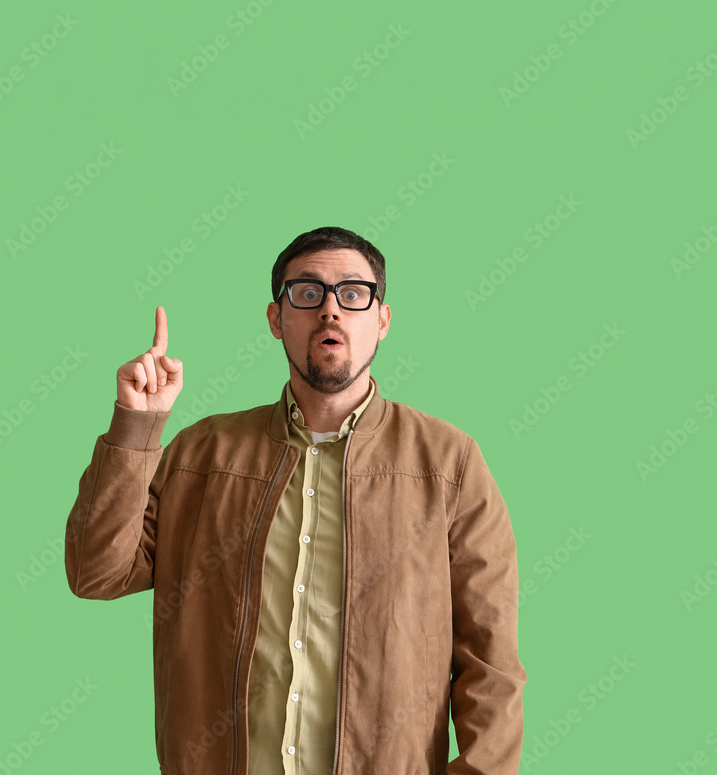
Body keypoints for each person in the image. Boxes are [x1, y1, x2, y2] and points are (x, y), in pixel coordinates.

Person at [64, 226, 526, 774]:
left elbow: (489, 663)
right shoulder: (201, 455)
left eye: (353, 293)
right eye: (306, 293)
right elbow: (96, 573)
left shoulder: (449, 463)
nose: (330, 310)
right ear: (275, 319)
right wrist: (137, 426)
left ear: (381, 320)